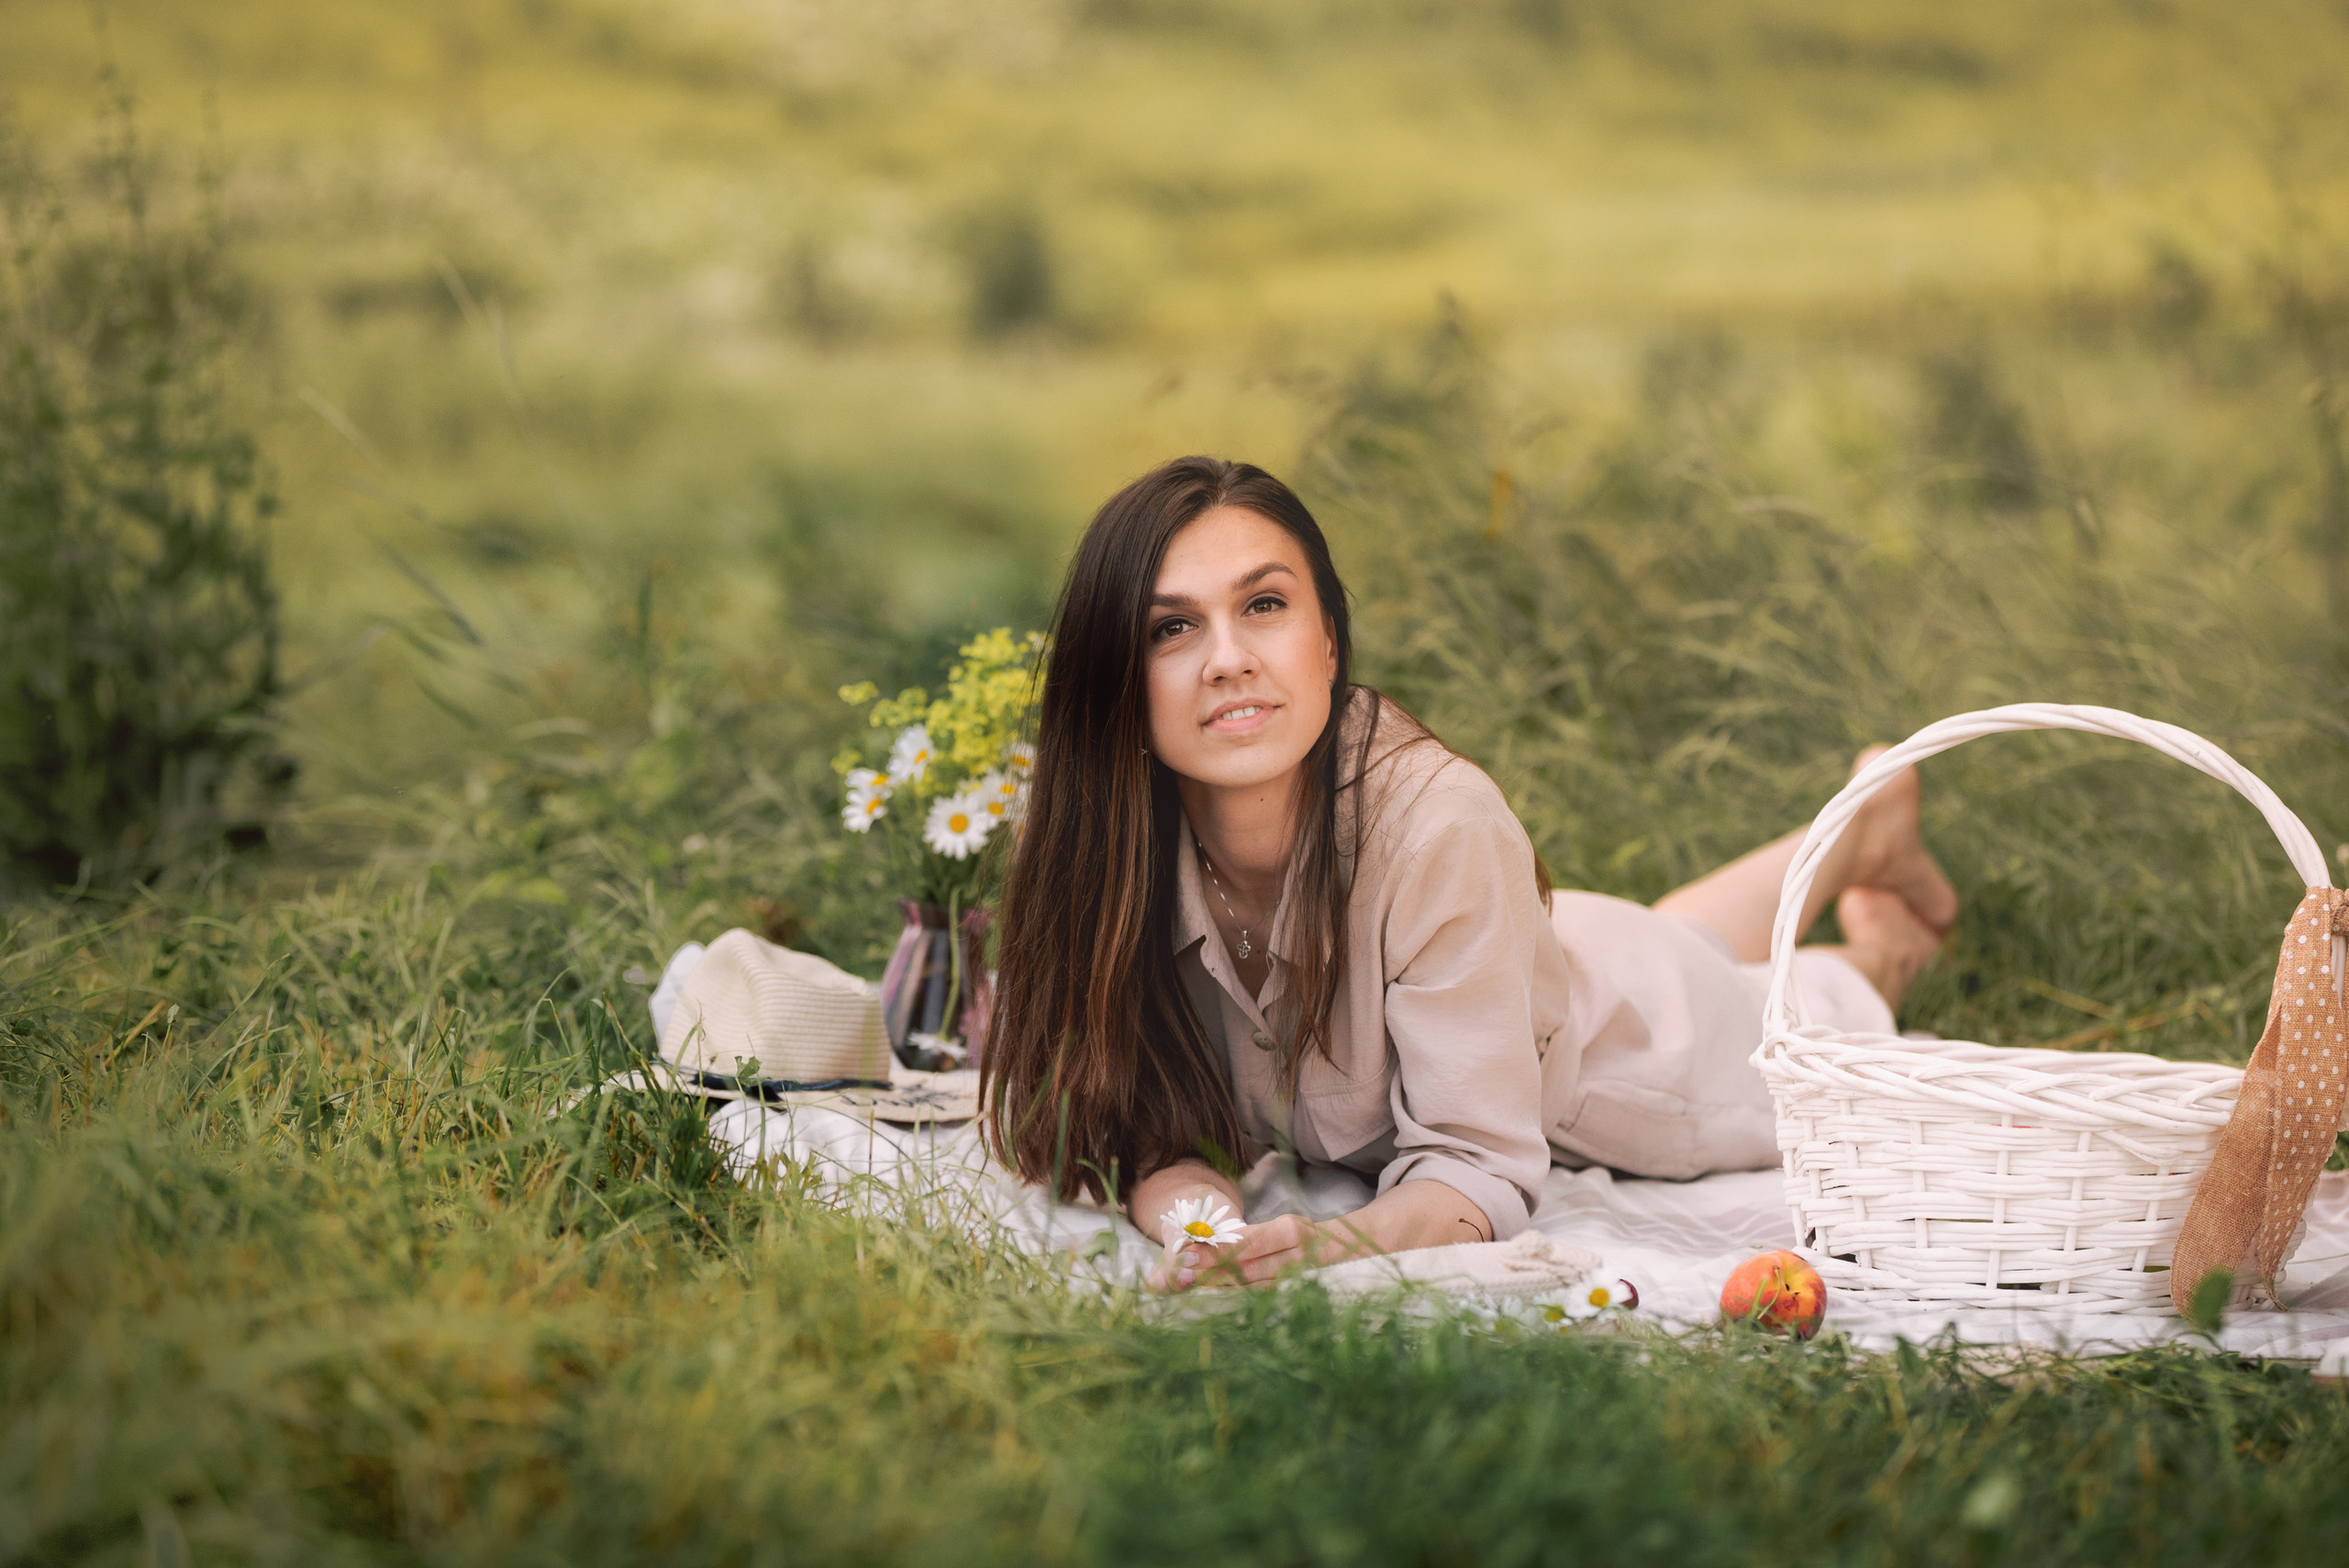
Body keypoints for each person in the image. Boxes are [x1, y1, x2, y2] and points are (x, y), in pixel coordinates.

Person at [981, 456, 1956, 1292]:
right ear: (1116, 676)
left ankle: (1879, 942)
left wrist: (1323, 1248)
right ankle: (1858, 829)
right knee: (1634, 939)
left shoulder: (1441, 825)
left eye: (1264, 604)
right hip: (1544, 950)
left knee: (1800, 997)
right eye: (1171, 628)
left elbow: (1477, 1167)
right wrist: (1214, 1239)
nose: (1229, 658)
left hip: (1633, 1049)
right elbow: (1144, 1134)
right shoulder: (1096, 852)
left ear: (1327, 639)